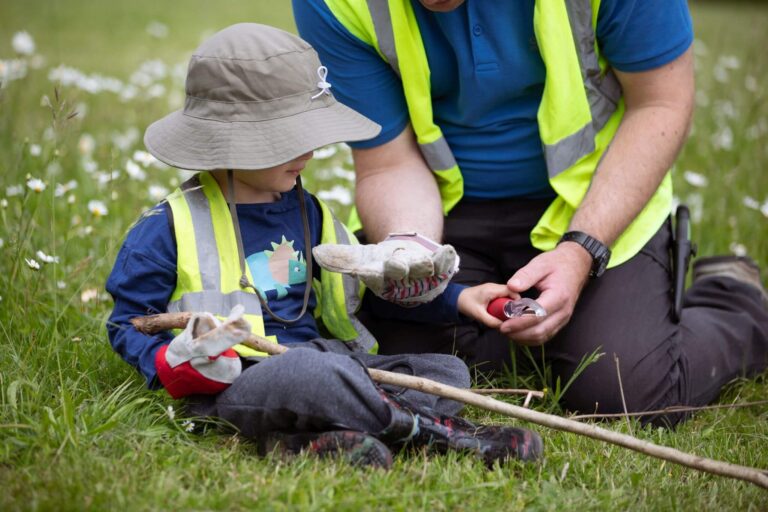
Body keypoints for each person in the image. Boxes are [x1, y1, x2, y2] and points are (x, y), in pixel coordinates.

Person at [293, 0, 768, 425]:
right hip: (448, 212)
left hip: (597, 202)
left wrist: (582, 250)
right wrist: (412, 249)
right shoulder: (334, 4)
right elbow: (387, 162)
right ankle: (555, 335)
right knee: (390, 353)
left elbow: (662, 103)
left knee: (619, 389)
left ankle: (735, 296)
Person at [105, 23, 543, 469]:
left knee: (445, 373)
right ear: (235, 137)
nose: (310, 152)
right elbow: (129, 323)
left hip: (325, 364)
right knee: (312, 375)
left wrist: (458, 298)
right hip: (234, 383)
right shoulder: (169, 226)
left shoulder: (308, 211)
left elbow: (367, 290)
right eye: (291, 138)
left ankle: (307, 441)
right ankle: (445, 437)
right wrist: (172, 362)